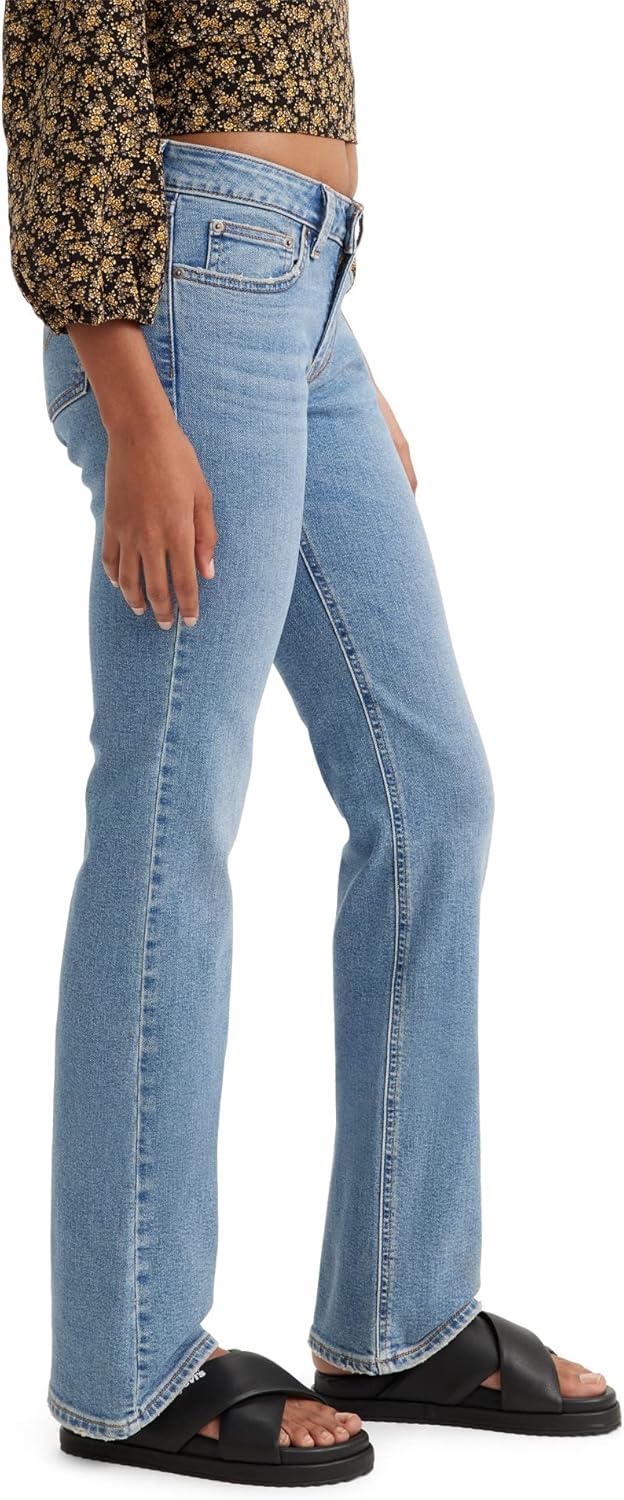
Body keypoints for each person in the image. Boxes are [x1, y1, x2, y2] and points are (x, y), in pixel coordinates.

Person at [2, 0, 619, 1485]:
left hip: (297, 293)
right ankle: (129, 1360)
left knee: (435, 793)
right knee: (171, 803)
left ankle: (399, 1317)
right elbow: (65, 47)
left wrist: (321, 345)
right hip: (185, 292)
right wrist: (130, 392)